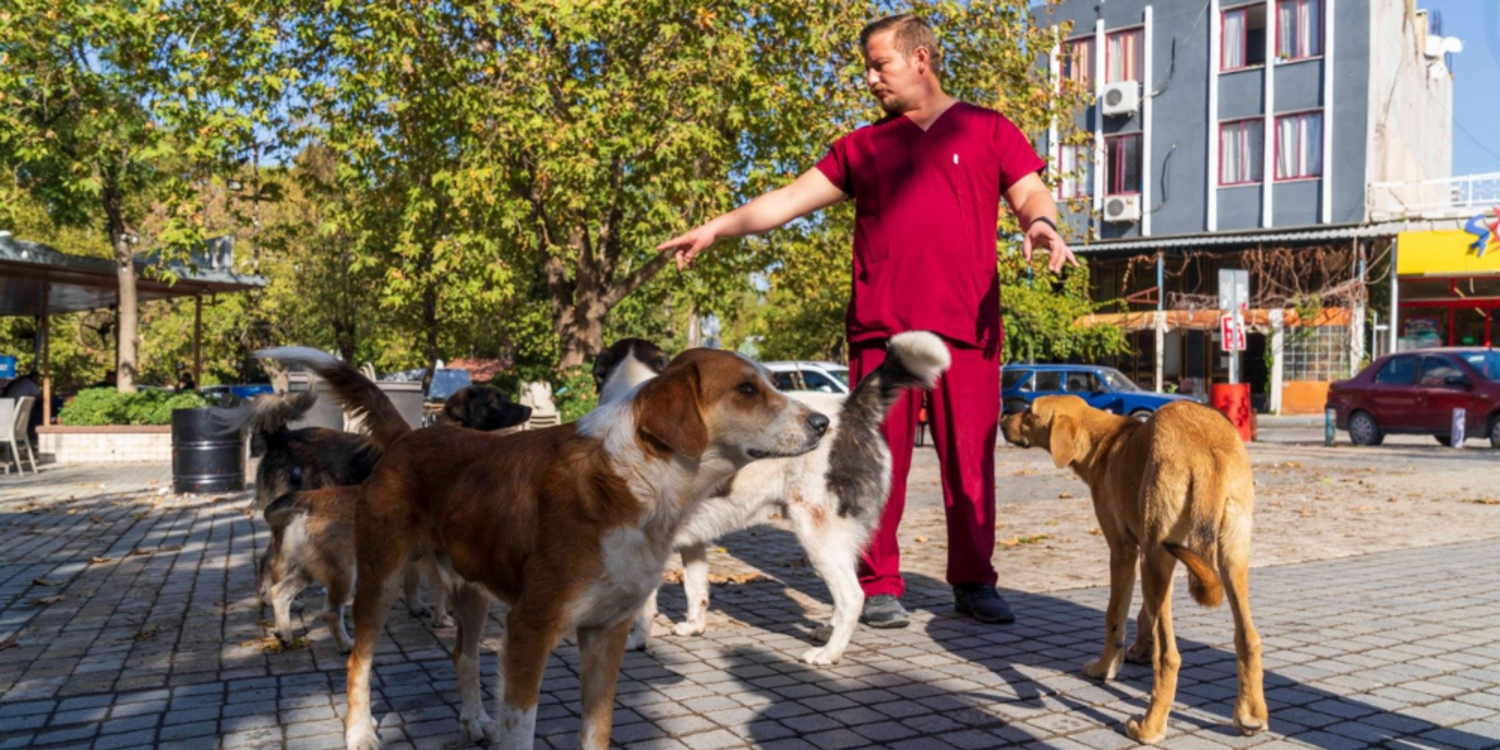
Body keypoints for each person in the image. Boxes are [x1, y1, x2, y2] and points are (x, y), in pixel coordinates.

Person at [659, 13, 1076, 628]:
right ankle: (877, 583)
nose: (871, 79)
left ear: (920, 59)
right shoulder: (862, 148)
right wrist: (717, 228)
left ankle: (974, 581)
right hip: (884, 330)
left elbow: (1031, 192)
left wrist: (1041, 223)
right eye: (868, 68)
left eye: (880, 65)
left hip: (968, 329)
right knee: (875, 461)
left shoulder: (987, 129)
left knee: (971, 463)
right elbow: (788, 199)